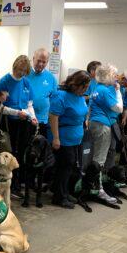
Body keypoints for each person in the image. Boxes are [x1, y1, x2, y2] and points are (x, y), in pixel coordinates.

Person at [0, 55, 38, 197]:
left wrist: (33, 117)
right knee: (9, 153)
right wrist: (16, 112)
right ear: (14, 67)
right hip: (8, 122)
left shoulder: (26, 82)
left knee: (21, 153)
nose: (20, 73)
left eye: (23, 71)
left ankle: (17, 184)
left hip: (23, 122)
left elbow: (29, 105)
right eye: (19, 70)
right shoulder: (4, 81)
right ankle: (7, 184)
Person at [49, 70, 90, 208]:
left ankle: (64, 192)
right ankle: (59, 197)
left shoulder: (80, 97)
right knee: (65, 166)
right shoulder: (61, 96)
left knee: (70, 166)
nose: (85, 90)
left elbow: (83, 113)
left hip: (76, 137)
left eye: (86, 88)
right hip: (63, 137)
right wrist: (56, 138)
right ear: (75, 84)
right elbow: (53, 117)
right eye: (83, 87)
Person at [89, 64, 123, 174]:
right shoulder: (105, 91)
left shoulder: (96, 88)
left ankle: (94, 184)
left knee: (95, 155)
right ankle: (98, 187)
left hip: (94, 122)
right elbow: (119, 108)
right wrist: (118, 92)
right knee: (100, 158)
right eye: (114, 75)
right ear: (107, 75)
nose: (116, 77)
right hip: (103, 125)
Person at [28, 48, 58, 138]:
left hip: (42, 121)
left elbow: (54, 99)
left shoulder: (51, 78)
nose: (41, 64)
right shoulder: (25, 74)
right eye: (38, 61)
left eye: (44, 62)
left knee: (40, 150)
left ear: (47, 62)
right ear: (33, 59)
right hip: (26, 119)